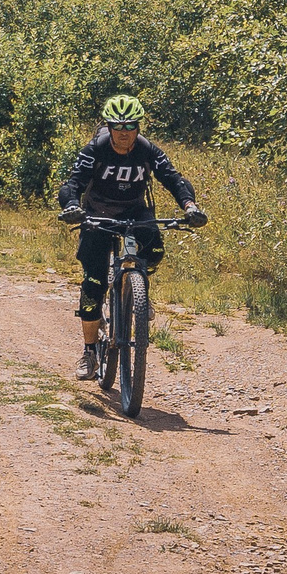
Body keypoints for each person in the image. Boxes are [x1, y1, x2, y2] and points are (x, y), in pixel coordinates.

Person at [56, 94, 204, 382]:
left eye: (130, 127)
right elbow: (73, 183)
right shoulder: (95, 149)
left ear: (138, 127)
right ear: (109, 128)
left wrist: (190, 206)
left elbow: (173, 179)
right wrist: (72, 207)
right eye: (118, 127)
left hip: (136, 212)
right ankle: (89, 352)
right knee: (93, 286)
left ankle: (138, 292)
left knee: (155, 250)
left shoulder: (148, 150)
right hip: (97, 215)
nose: (124, 134)